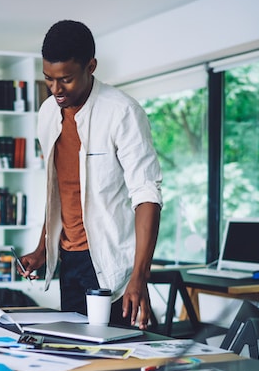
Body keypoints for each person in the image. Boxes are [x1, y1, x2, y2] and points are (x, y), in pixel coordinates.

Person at [19, 20, 163, 330]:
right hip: (69, 261)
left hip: (111, 263)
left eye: (66, 79)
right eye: (48, 79)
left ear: (91, 66)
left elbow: (146, 194)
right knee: (73, 356)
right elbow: (57, 188)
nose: (56, 89)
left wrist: (139, 277)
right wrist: (43, 247)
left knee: (114, 359)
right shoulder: (47, 112)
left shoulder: (122, 111)